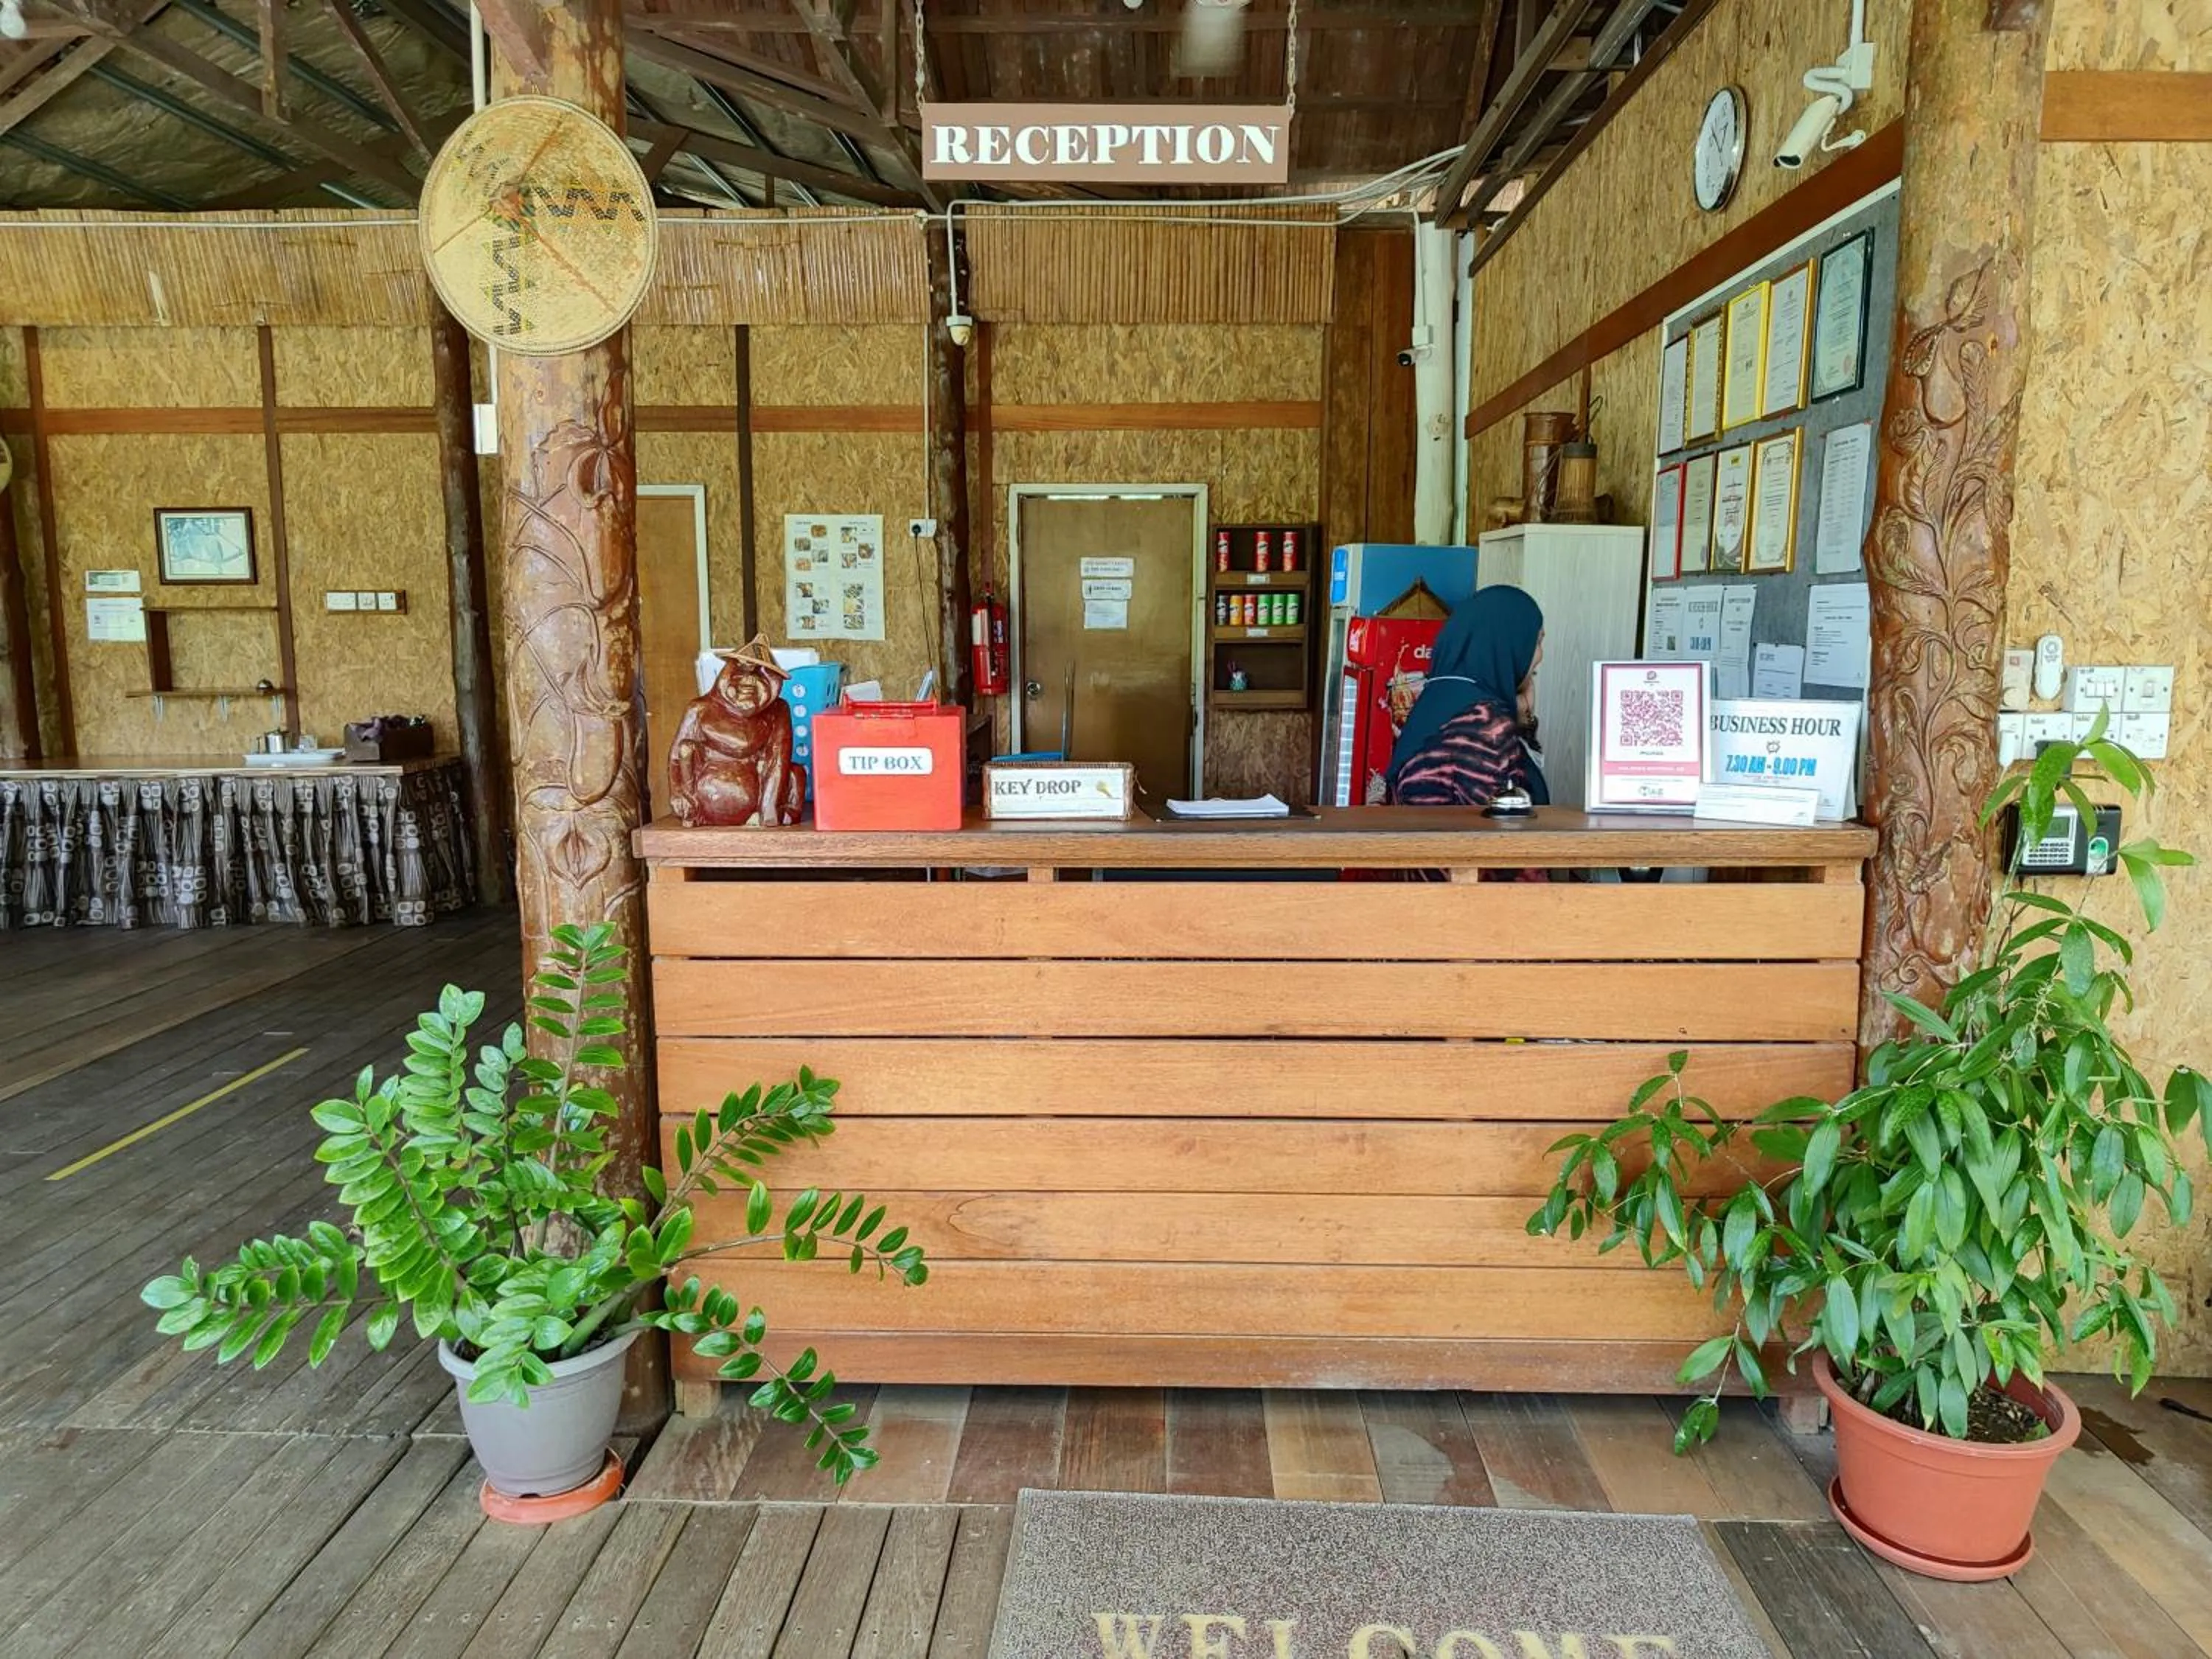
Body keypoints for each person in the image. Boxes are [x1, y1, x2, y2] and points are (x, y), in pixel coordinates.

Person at [1385, 585, 1548, 809]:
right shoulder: (1486, 724)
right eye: (1537, 642)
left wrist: (1521, 722)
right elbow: (1509, 826)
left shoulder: (1436, 696)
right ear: (1507, 643)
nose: (1540, 656)